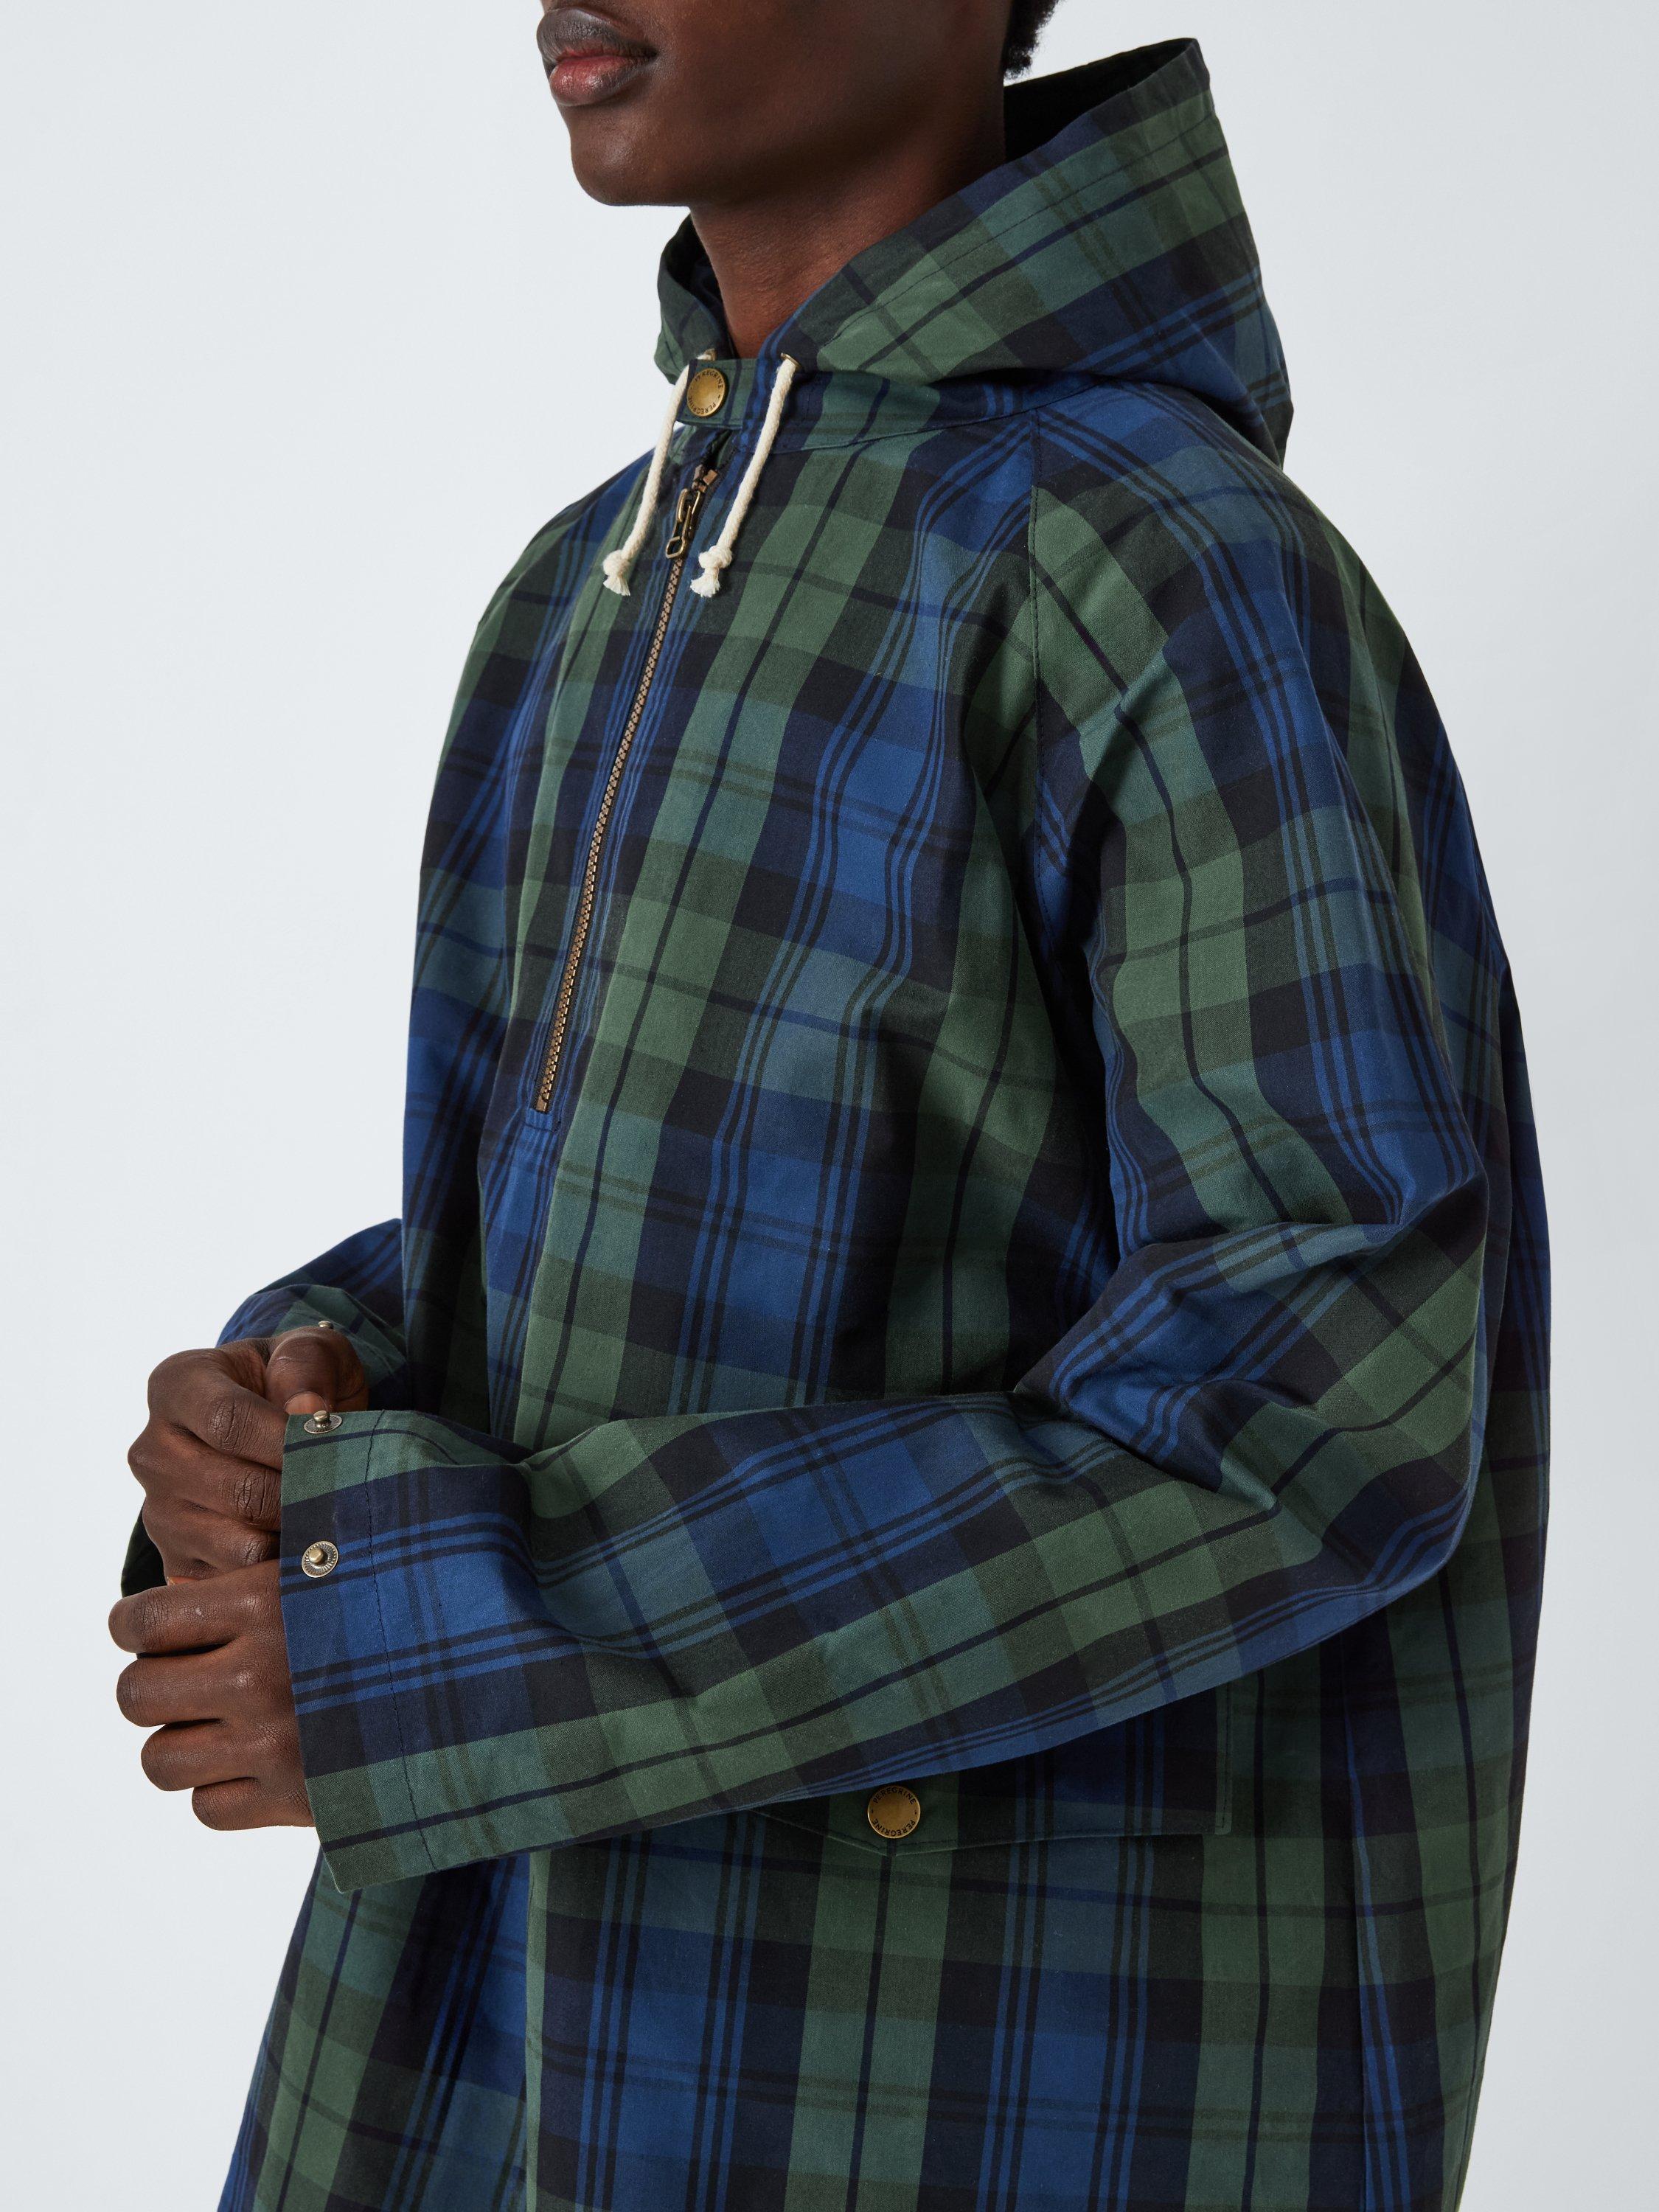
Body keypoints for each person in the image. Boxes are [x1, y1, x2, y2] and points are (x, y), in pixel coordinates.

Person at [110, 6, 1548, 2208]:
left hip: (953, 2065)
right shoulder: (593, 578)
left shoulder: (1166, 568)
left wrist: (443, 1641)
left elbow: (1311, 1409)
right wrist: (316, 1395)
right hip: (512, 2009)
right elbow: (629, 1225)